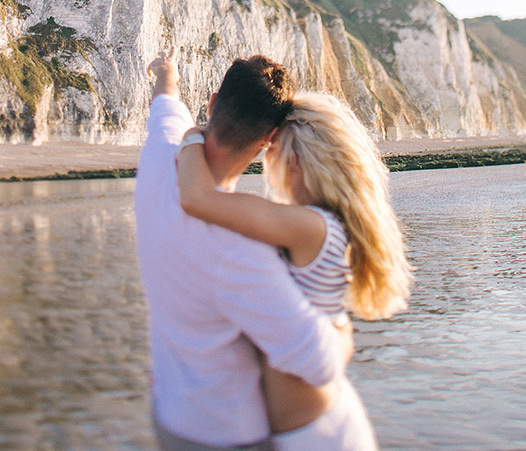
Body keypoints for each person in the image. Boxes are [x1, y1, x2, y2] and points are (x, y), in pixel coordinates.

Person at [134, 49, 352, 450]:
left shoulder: (157, 156)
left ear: (214, 101)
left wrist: (166, 74)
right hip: (226, 433)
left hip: (168, 414)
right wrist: (341, 324)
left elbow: (167, 106)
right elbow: (319, 362)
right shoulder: (241, 252)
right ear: (269, 141)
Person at [177, 91, 413, 450]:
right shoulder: (326, 226)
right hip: (313, 427)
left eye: (272, 152)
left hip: (317, 436)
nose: (267, 163)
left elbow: (198, 199)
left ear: (297, 160)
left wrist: (191, 134)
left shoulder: (309, 227)